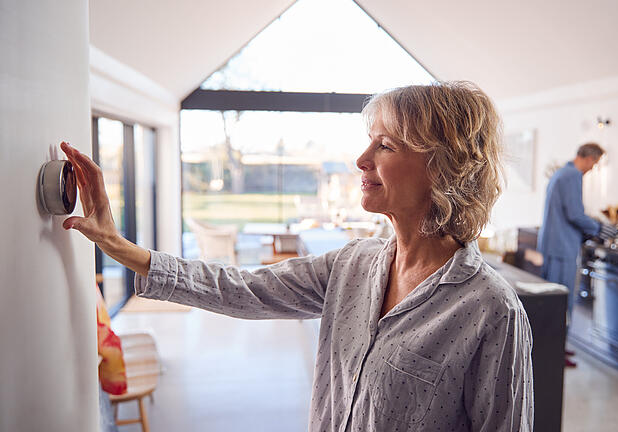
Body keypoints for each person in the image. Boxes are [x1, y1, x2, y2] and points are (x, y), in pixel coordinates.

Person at [60, 81, 534, 431]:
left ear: (443, 167)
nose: (361, 158)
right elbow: (241, 289)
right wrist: (122, 248)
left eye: (385, 144)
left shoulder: (490, 311)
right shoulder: (353, 264)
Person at [537, 143, 617, 366]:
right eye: (595, 163)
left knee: (554, 300)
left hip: (552, 245)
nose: (593, 169)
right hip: (562, 248)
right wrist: (600, 228)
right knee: (561, 302)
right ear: (589, 159)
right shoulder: (572, 176)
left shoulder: (561, 173)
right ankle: (554, 354)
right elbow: (574, 214)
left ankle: (556, 348)